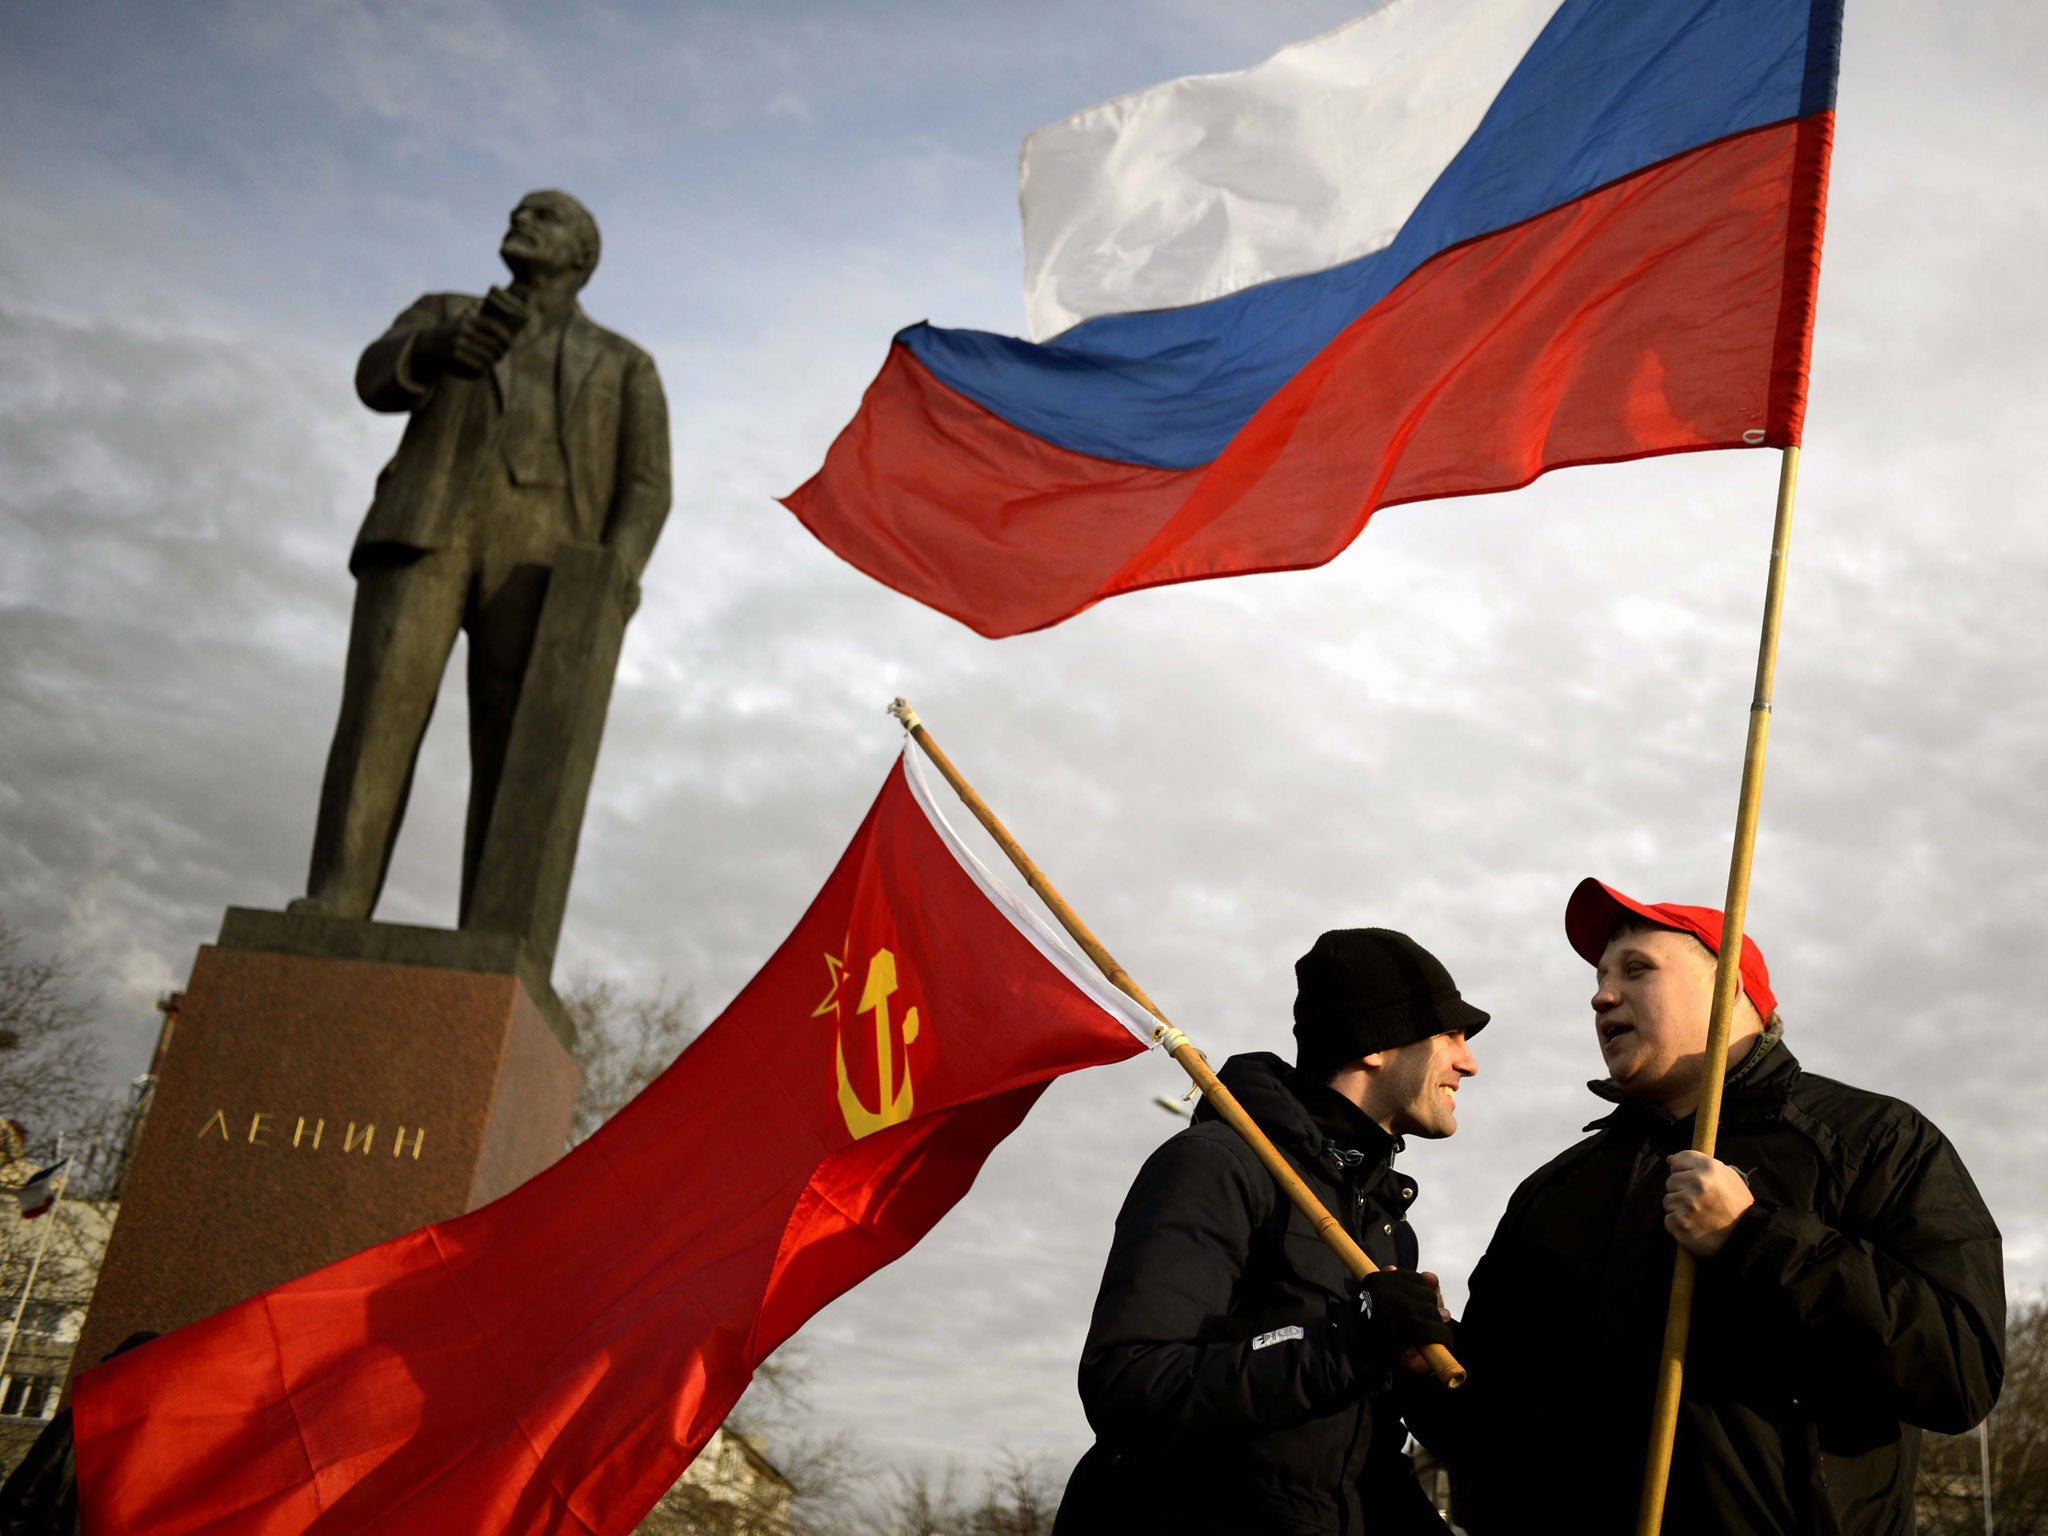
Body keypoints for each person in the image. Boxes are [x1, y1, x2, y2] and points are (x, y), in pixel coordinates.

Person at [1433, 878, 2004, 1535]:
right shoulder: (1556, 1193)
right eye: (1598, 976)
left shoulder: (1874, 1141)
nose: (1600, 995)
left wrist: (1756, 1236)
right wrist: (1427, 1359)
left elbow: (1959, 1371)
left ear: (1727, 983)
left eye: (1637, 969)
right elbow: (1484, 1432)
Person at [293, 189, 670, 925]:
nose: (521, 221)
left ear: (582, 255)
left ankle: (493, 929)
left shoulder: (625, 364)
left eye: (544, 216)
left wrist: (613, 576)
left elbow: (648, 486)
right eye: (518, 213)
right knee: (377, 719)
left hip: (548, 564)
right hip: (429, 529)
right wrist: (432, 351)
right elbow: (375, 379)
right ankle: (338, 895)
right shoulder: (444, 313)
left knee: (517, 751)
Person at [1053, 928, 1484, 1535]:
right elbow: (1129, 1387)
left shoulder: (1385, 1222)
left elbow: (1351, 1463)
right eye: (1450, 1035)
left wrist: (1422, 1372)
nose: (1469, 1062)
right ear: (1376, 1044)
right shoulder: (1216, 1164)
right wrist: (1350, 1341)